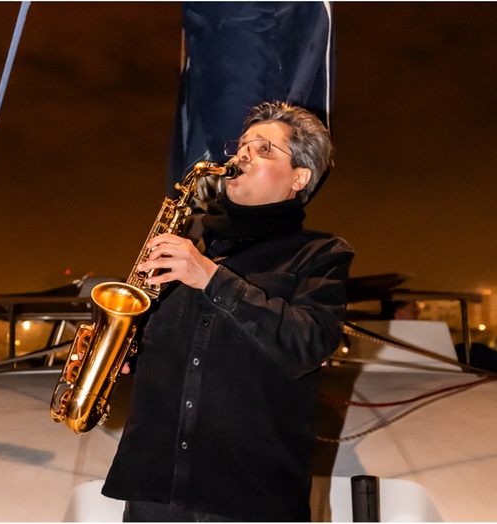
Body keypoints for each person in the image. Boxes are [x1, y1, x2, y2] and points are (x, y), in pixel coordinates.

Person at [101, 102, 355, 521]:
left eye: (264, 148)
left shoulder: (321, 254)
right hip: (152, 490)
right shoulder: (186, 240)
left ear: (300, 177)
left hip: (249, 497)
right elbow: (158, 340)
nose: (241, 154)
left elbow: (307, 344)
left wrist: (210, 277)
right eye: (241, 145)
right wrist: (121, 349)